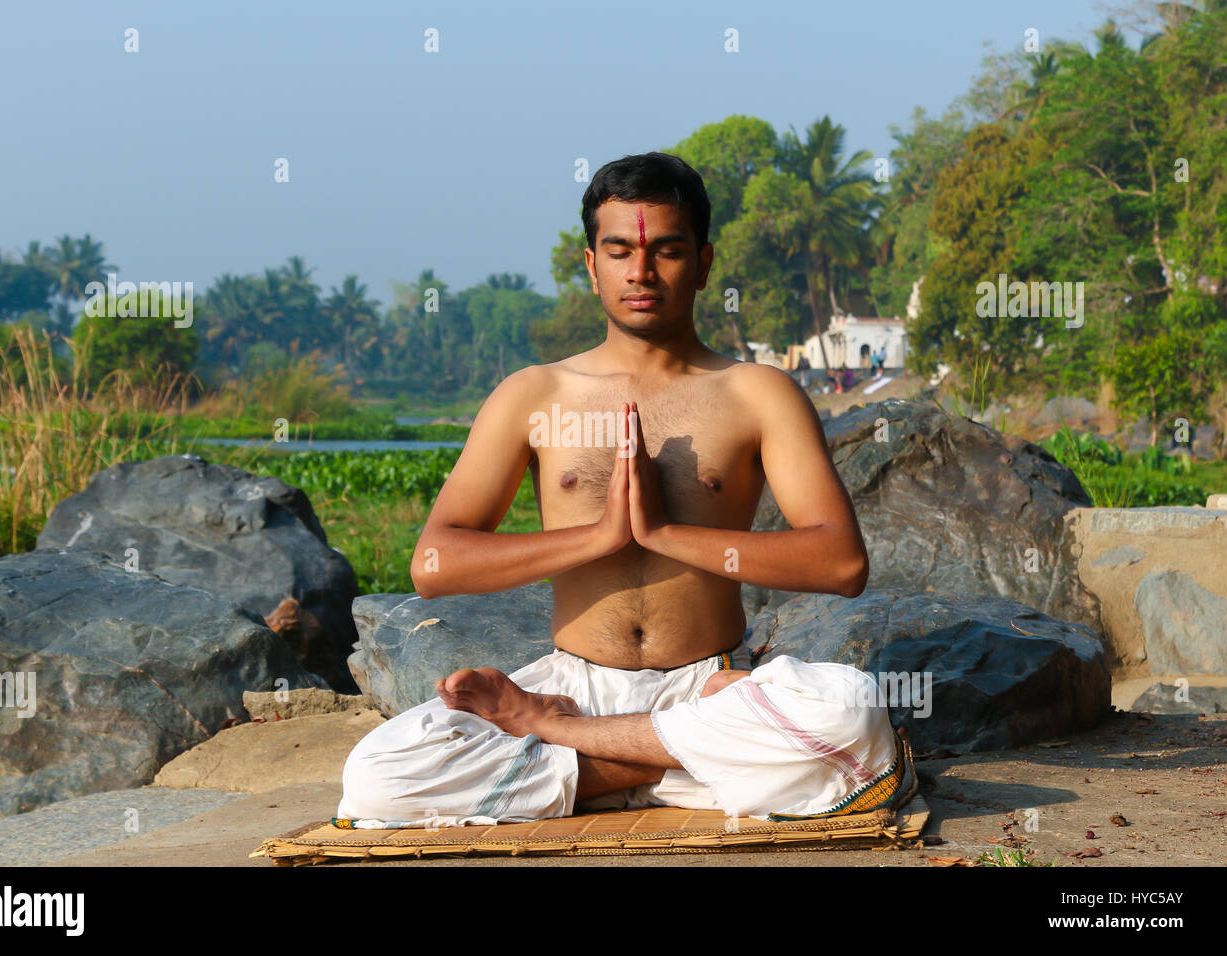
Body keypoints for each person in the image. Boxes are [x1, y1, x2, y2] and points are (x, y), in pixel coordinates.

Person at [338, 152, 904, 829]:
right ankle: (683, 765)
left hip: (707, 681)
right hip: (577, 684)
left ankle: (568, 747)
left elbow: (841, 564)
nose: (641, 272)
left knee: (851, 713)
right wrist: (597, 537)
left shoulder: (758, 394)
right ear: (591, 265)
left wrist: (665, 534)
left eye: (667, 250)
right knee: (376, 777)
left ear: (703, 263)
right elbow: (433, 565)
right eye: (619, 252)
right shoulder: (533, 395)